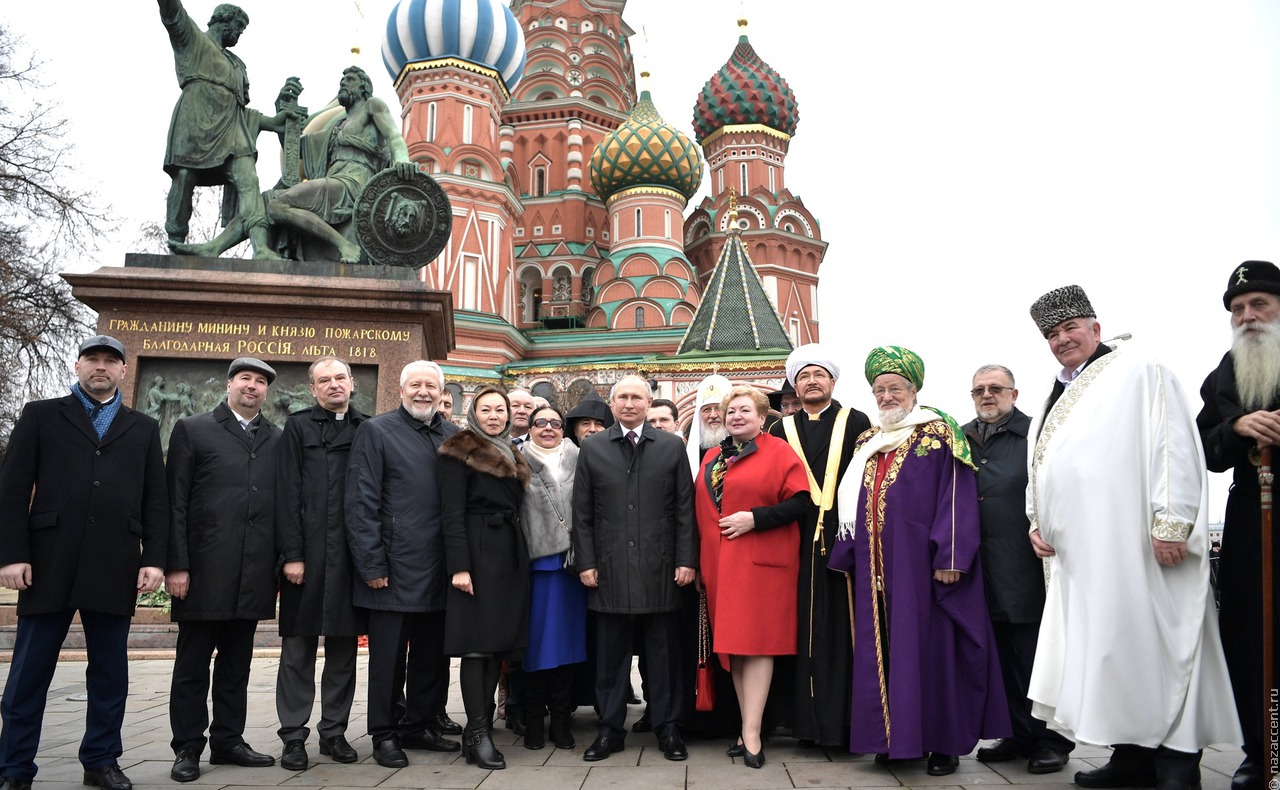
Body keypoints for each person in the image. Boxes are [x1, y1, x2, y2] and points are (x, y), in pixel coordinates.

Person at [1026, 285, 1240, 790]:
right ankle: (1131, 758)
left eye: (1071, 328)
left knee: (1163, 648)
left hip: (1142, 547)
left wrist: (1172, 524)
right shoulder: (1056, 390)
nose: (1062, 340)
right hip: (1086, 557)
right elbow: (1042, 463)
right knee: (1113, 654)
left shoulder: (1140, 369)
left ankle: (1177, 764)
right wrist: (1037, 521)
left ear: (1096, 328)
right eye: (1053, 334)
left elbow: (1174, 446)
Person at [826, 346, 1008, 776]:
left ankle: (943, 745)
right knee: (885, 653)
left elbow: (957, 495)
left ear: (913, 390)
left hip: (925, 570)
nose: (887, 397)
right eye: (879, 390)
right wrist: (849, 553)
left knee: (933, 653)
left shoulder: (940, 434)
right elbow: (852, 503)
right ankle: (895, 741)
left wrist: (951, 555)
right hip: (876, 571)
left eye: (895, 388)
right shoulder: (868, 440)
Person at [0, 336, 167, 790]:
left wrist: (153, 558)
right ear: (77, 366)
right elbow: (12, 489)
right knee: (29, 674)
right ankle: (14, 768)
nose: (101, 367)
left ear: (123, 372)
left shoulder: (143, 427)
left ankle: (101, 761)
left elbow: (156, 500)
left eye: (110, 361)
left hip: (114, 564)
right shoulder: (40, 415)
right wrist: (12, 554)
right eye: (93, 359)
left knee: (110, 674)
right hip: (48, 563)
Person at [166, 358, 282, 782]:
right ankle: (187, 747)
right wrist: (176, 564)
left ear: (266, 391)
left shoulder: (276, 437)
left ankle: (228, 740)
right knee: (192, 664)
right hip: (202, 570)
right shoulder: (193, 429)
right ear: (230, 384)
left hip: (253, 572)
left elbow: (283, 505)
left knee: (238, 664)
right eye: (245, 379)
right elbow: (174, 502)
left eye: (260, 382)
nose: (252, 386)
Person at [572, 375, 697, 762]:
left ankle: (667, 727)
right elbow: (583, 513)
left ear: (648, 402)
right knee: (611, 658)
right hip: (608, 570)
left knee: (662, 655)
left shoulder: (671, 447)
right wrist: (587, 562)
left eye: (637, 397)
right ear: (612, 404)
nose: (629, 403)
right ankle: (610, 730)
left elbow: (683, 510)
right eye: (622, 397)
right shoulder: (593, 448)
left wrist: (686, 560)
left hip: (660, 568)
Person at [344, 361, 460, 769]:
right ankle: (384, 733)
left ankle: (420, 725)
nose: (423, 392)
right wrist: (371, 563)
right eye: (416, 385)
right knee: (388, 659)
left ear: (441, 391)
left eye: (431, 385)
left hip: (441, 566)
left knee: (432, 655)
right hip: (392, 566)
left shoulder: (453, 435)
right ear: (402, 389)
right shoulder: (376, 432)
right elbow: (361, 502)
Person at [961, 365, 1075, 774]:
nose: (986, 395)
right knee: (999, 654)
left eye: (995, 388)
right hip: (979, 566)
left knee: (1035, 653)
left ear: (1014, 393)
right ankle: (1015, 732)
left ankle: (1051, 739)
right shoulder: (962, 436)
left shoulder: (1035, 433)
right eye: (979, 390)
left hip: (1027, 563)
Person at [693, 385, 809, 769]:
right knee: (734, 647)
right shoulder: (712, 455)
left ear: (762, 418)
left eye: (745, 410)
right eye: (731, 411)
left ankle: (754, 732)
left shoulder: (779, 452)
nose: (736, 416)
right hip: (720, 565)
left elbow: (801, 501)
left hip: (761, 566)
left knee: (757, 646)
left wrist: (755, 519)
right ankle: (746, 726)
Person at [1197, 261, 1280, 790]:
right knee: (1251, 631)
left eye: (1259, 305)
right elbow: (1204, 448)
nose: (1247, 316)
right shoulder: (1227, 372)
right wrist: (1235, 425)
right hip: (1254, 515)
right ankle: (1261, 749)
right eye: (1238, 309)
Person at [767, 344, 871, 747]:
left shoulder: (857, 421)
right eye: (804, 376)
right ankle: (798, 723)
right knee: (795, 628)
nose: (812, 382)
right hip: (792, 542)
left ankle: (844, 724)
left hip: (843, 541)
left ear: (832, 381)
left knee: (840, 630)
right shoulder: (780, 429)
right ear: (795, 383)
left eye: (819, 375)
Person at [273, 358, 369, 770]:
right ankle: (294, 736)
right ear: (313, 389)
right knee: (297, 650)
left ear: (352, 385)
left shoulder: (368, 428)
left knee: (344, 649)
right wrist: (292, 555)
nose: (333, 386)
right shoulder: (297, 427)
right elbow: (286, 493)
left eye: (339, 379)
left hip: (350, 559)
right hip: (307, 558)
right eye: (324, 380)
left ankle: (335, 732)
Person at [438, 388, 532, 770]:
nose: (494, 416)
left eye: (500, 409)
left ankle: (479, 730)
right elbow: (451, 511)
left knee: (496, 645)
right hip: (476, 553)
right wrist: (459, 566)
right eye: (486, 409)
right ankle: (478, 732)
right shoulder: (458, 449)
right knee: (476, 646)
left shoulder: (510, 450)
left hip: (507, 553)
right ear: (473, 413)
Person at [157, 0, 288, 260]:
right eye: (238, 28)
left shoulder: (237, 64)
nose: (239, 34)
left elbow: (242, 111)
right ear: (223, 21)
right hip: (195, 123)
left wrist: (273, 122)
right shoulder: (193, 40)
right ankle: (175, 242)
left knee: (249, 180)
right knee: (184, 177)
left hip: (232, 130)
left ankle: (261, 248)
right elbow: (172, 12)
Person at [265, 67, 417, 263]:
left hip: (353, 184)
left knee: (277, 205)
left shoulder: (372, 106)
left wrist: (403, 159)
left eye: (350, 79)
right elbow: (294, 151)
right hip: (333, 181)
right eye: (342, 80)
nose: (343, 83)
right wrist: (284, 114)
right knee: (270, 202)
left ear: (364, 87)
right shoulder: (337, 126)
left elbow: (394, 136)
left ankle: (346, 245)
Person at [518, 405, 588, 751]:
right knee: (535, 648)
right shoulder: (515, 461)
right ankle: (533, 720)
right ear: (529, 428)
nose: (548, 428)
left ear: (564, 429)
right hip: (534, 568)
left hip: (572, 569)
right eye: (540, 422)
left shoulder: (581, 458)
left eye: (555, 423)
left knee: (569, 647)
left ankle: (561, 719)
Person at [686, 376, 730, 474]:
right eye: (707, 410)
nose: (713, 415)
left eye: (719, 408)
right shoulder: (693, 454)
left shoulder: (743, 448)